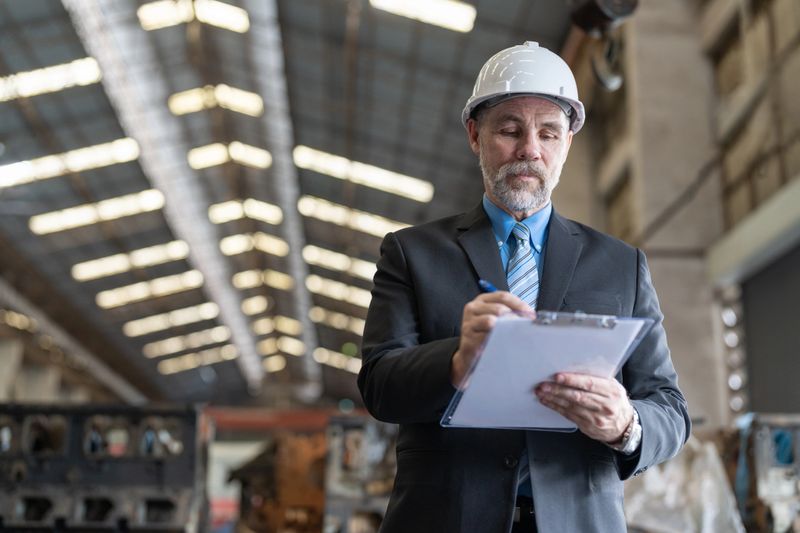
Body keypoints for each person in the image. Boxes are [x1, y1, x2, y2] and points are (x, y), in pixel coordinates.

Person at [357, 41, 691, 533]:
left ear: (567, 145)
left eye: (549, 133)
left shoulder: (621, 264)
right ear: (475, 135)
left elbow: (669, 406)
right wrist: (456, 361)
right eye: (510, 130)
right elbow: (379, 386)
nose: (530, 149)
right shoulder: (412, 254)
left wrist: (626, 425)